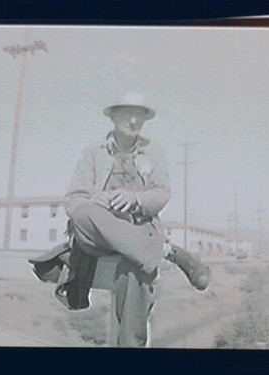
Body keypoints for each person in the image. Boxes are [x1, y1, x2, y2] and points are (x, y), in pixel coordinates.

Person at [29, 91, 211, 347]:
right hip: (98, 234)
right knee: (83, 212)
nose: (134, 121)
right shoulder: (93, 152)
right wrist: (96, 200)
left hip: (137, 229)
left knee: (134, 271)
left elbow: (162, 194)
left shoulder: (154, 152)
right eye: (127, 114)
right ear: (113, 117)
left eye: (139, 115)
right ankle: (167, 251)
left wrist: (135, 199)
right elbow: (73, 200)